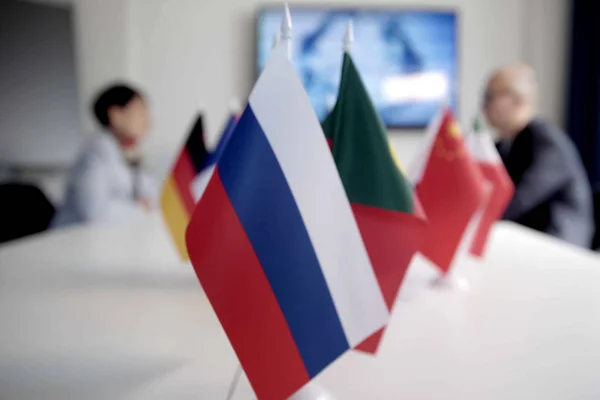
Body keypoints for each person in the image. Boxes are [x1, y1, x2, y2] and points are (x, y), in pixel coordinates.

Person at [483, 64, 594, 248]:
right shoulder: (506, 145)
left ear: (517, 99)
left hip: (560, 249)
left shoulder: (547, 143)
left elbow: (519, 200)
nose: (484, 105)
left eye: (490, 96)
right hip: (529, 242)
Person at [52, 84, 157, 228]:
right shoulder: (95, 153)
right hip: (69, 238)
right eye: (140, 111)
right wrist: (140, 208)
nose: (148, 120)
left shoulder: (129, 151)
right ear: (116, 115)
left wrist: (143, 206)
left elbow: (152, 196)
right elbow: (96, 212)